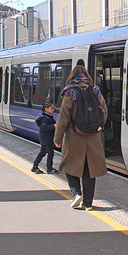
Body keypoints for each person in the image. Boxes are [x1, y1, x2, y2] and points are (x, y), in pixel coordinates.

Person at [54, 65, 108, 210]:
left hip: (74, 137)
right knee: (89, 171)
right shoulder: (95, 90)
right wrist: (97, 128)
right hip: (93, 138)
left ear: (72, 76)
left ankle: (76, 193)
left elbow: (64, 118)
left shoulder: (70, 92)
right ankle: (88, 203)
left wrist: (57, 139)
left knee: (68, 166)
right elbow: (104, 111)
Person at [32, 101, 57, 174]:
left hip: (45, 138)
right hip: (46, 139)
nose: (53, 110)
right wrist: (54, 126)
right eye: (51, 108)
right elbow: (43, 127)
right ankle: (49, 168)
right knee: (50, 153)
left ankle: (35, 166)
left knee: (42, 152)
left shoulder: (47, 117)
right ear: (46, 109)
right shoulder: (45, 118)